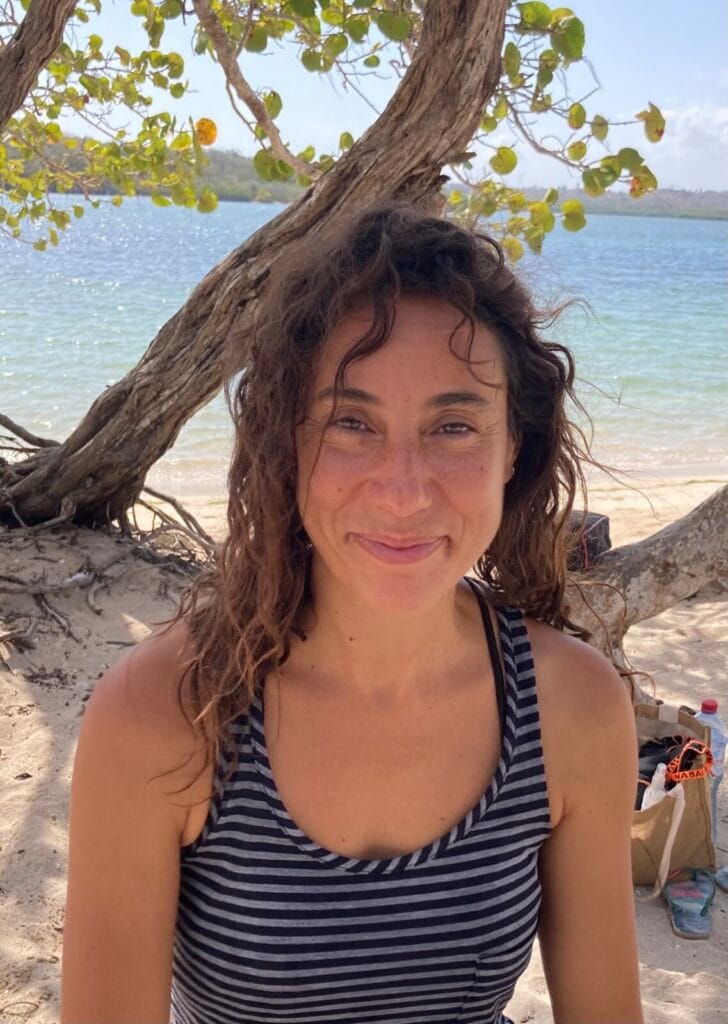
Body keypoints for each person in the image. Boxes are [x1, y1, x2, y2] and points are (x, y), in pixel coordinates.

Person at [61, 201, 644, 1024]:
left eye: (453, 426)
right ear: (287, 441)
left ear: (513, 447)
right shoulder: (167, 711)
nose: (402, 490)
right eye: (351, 422)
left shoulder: (572, 707)